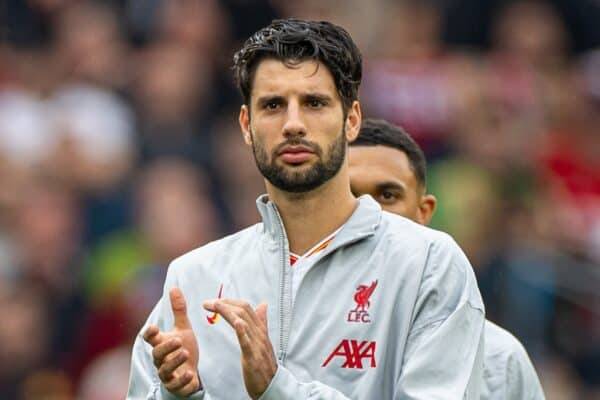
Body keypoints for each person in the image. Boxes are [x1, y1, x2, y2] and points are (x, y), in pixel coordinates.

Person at [127, 19, 485, 399]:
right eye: (273, 105)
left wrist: (277, 388)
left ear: (351, 120)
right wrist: (181, 395)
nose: (293, 124)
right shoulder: (193, 278)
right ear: (247, 125)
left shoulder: (428, 264)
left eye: (314, 103)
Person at [348, 118, 545, 399]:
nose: (369, 212)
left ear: (424, 212)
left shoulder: (500, 360)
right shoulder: (285, 335)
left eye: (387, 195)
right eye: (349, 196)